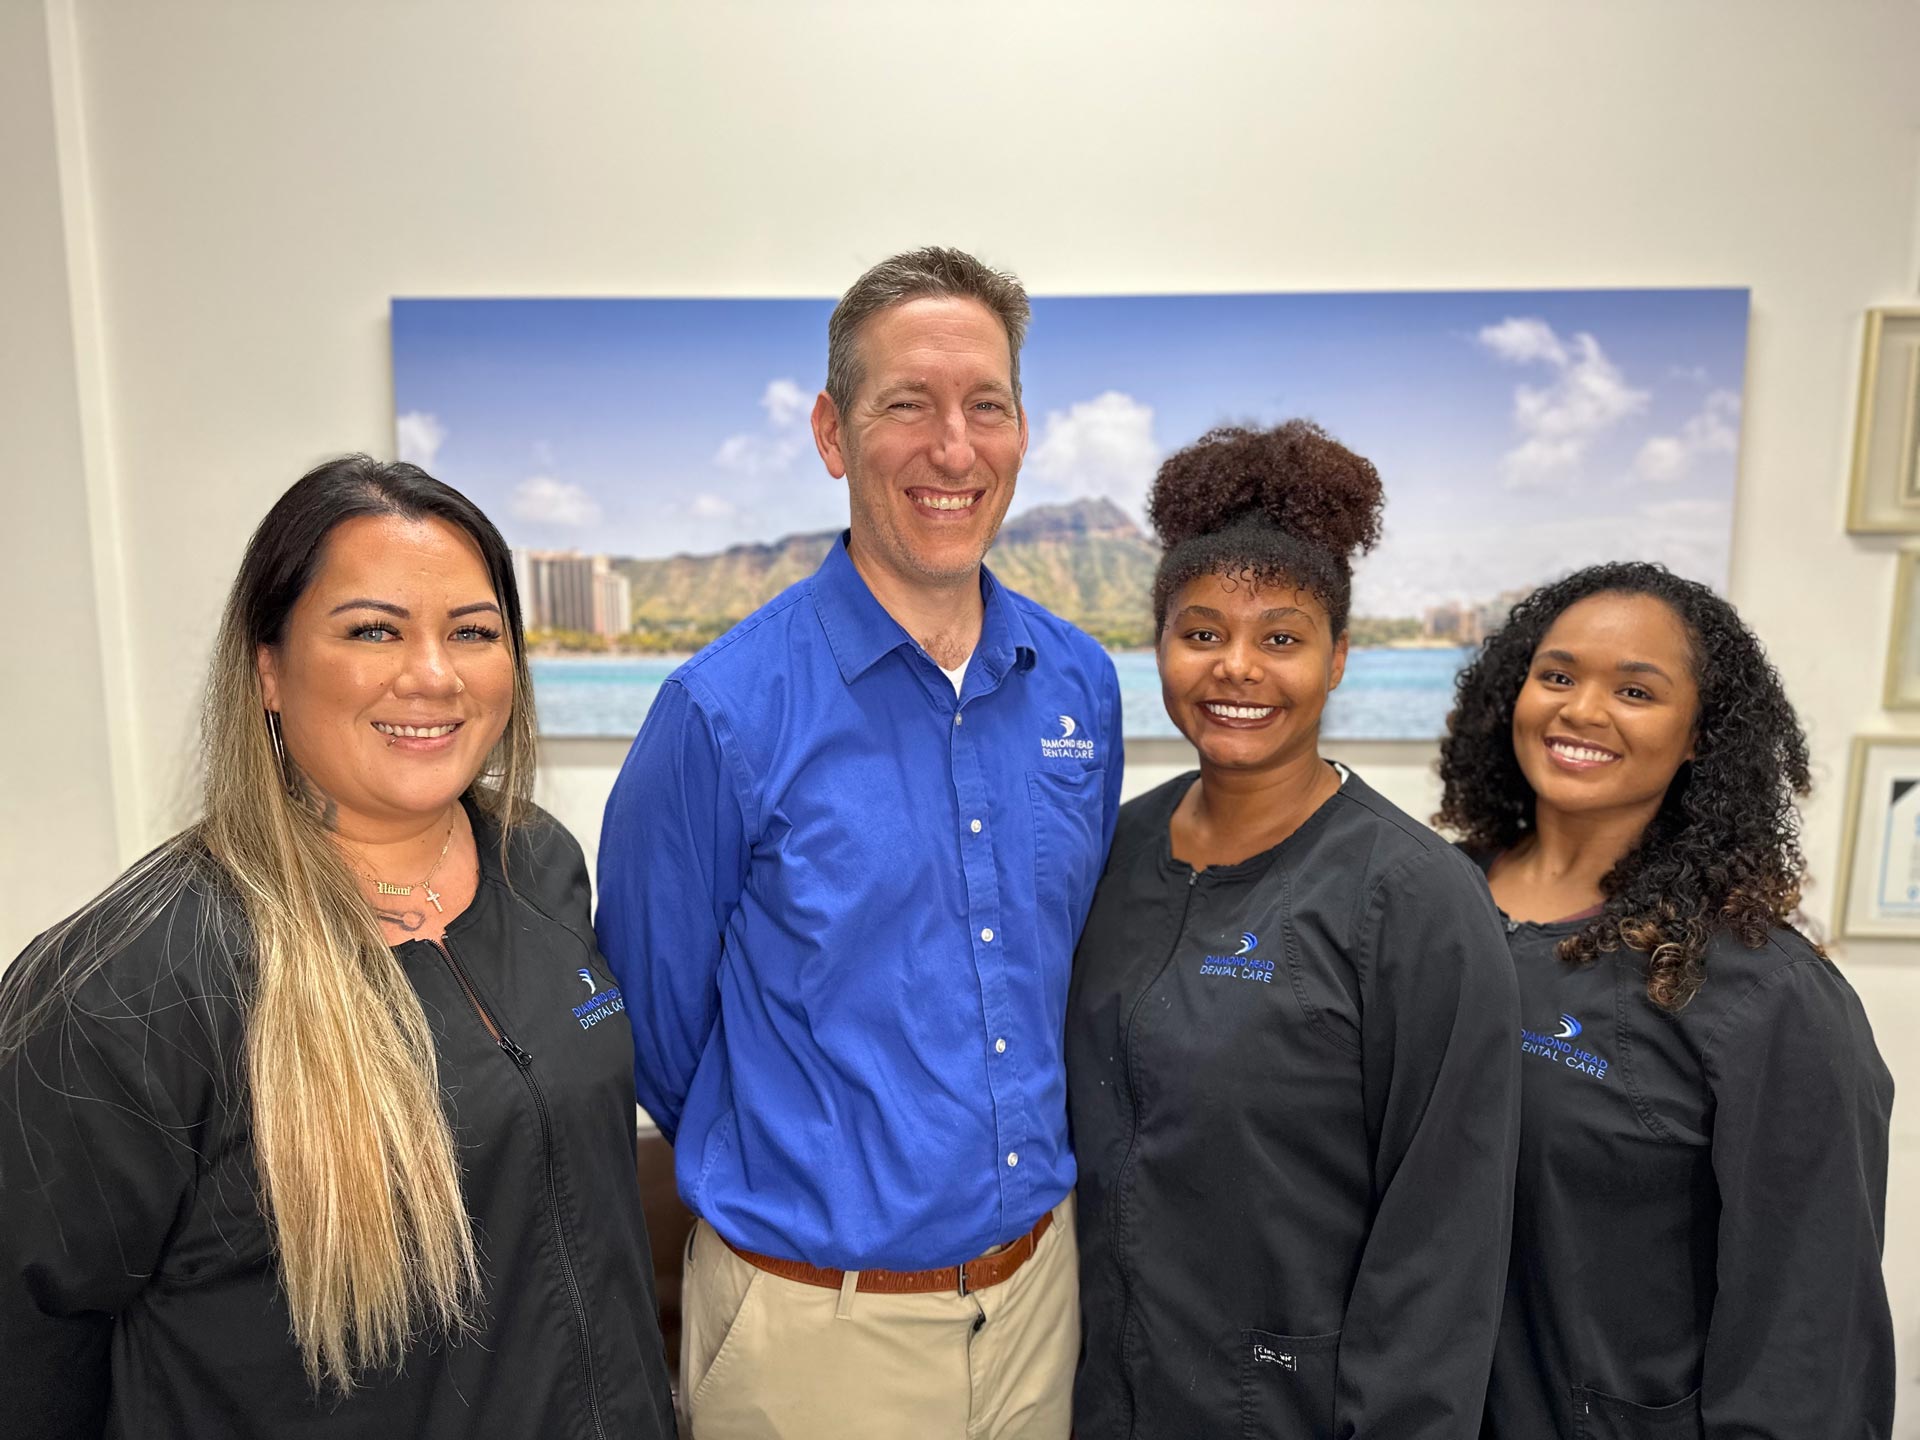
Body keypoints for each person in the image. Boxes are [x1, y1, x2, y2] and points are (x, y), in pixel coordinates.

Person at [0, 457, 675, 1440]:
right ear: (268, 667)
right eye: (373, 630)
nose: (434, 675)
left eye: (473, 633)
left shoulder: (539, 864)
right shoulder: (129, 990)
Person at [597, 247, 1122, 1438]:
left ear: (1022, 430)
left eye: (986, 405)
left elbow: (1065, 962)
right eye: (909, 406)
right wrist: (813, 1163)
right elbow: (655, 1022)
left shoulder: (1079, 686)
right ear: (834, 434)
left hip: (1041, 1304)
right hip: (811, 1342)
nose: (954, 448)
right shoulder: (719, 714)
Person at [1067, 421, 1522, 1440]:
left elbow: (1444, 1238)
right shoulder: (1112, 851)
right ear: (1159, 648)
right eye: (1200, 632)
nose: (1237, 668)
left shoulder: (1415, 899)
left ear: (1339, 657)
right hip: (1097, 1394)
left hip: (1289, 1410)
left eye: (1280, 636)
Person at [1437, 562, 1895, 1438]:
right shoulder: (1422, 904)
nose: (1581, 710)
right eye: (1558, 675)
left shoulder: (1762, 992)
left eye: (1636, 690)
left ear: (1699, 737)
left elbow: (1810, 1325)